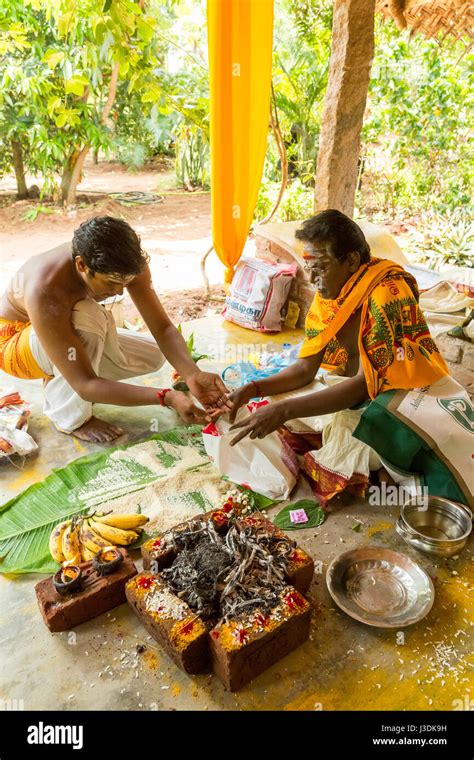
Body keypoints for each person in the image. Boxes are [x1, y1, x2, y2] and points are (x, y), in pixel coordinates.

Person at [227, 209, 451, 502]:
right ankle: (378, 468)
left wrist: (287, 410)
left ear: (352, 261)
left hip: (401, 402)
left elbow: (363, 385)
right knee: (268, 405)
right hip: (352, 394)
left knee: (340, 440)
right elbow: (305, 368)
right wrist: (253, 389)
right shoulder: (330, 295)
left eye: (319, 267)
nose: (311, 277)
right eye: (308, 266)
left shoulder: (387, 292)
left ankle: (386, 468)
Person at [0, 216, 230, 442]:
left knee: (153, 354)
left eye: (126, 282)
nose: (120, 291)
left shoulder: (127, 263)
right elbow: (85, 385)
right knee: (89, 317)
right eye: (111, 283)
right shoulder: (46, 287)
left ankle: (66, 373)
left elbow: (163, 328)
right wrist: (165, 397)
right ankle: (69, 417)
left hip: (53, 338)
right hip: (12, 345)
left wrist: (192, 374)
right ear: (81, 265)